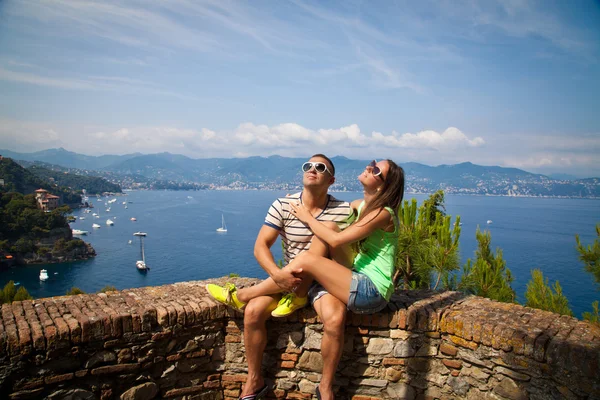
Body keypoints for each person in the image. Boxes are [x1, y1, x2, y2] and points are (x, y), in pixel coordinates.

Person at [209, 159, 405, 400]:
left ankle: (243, 295)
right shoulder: (354, 206)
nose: (313, 170)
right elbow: (261, 246)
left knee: (317, 268)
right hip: (306, 279)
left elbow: (335, 242)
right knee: (254, 312)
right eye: (372, 163)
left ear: (331, 180)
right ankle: (254, 382)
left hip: (359, 285)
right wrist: (277, 274)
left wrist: (306, 216)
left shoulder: (375, 212)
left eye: (376, 170)